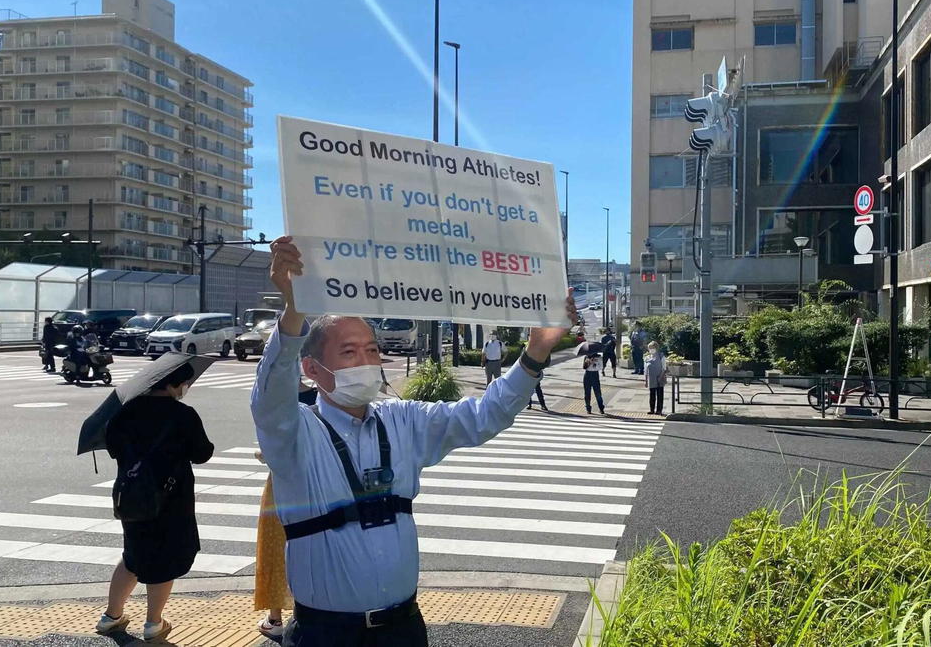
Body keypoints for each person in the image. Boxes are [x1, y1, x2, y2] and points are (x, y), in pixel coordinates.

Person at [251, 236, 577, 646]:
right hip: (324, 634)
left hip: (404, 629)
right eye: (349, 352)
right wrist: (294, 309)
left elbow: (485, 415)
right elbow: (270, 395)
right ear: (311, 369)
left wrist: (535, 352)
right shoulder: (296, 433)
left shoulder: (402, 420)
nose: (366, 361)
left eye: (372, 349)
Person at [96, 363, 214, 642]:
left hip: (132, 496)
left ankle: (111, 616)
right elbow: (202, 453)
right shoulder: (182, 415)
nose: (185, 389)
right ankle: (153, 623)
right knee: (165, 557)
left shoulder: (124, 413)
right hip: (172, 500)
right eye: (184, 384)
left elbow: (113, 448)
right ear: (174, 385)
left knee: (133, 554)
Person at [254, 451, 292, 639]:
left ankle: (275, 619)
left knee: (277, 549)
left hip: (282, 490)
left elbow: (270, 452)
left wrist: (260, 454)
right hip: (321, 491)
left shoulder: (289, 422)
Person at [644, 341, 669, 415]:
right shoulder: (647, 358)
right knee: (652, 395)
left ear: (656, 348)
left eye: (652, 348)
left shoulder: (661, 356)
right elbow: (645, 370)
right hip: (651, 379)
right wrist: (646, 381)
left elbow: (664, 368)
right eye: (650, 348)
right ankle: (652, 409)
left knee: (660, 395)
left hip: (659, 378)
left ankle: (659, 410)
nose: (651, 349)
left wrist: (660, 377)